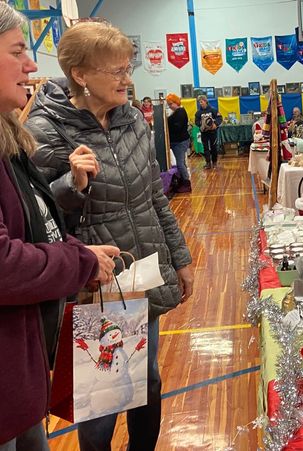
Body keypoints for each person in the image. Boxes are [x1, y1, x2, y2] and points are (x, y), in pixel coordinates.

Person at [25, 21, 193, 451]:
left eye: (128, 67)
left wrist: (181, 257)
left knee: (148, 379)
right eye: (116, 70)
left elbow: (154, 197)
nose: (128, 78)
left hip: (143, 272)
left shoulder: (133, 119)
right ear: (80, 74)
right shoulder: (46, 130)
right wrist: (72, 186)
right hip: (97, 281)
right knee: (104, 396)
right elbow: (39, 221)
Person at [0, 4, 119, 449]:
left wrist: (79, 253)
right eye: (17, 52)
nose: (32, 66)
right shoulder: (41, 129)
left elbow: (36, 223)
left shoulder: (9, 138)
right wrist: (79, 258)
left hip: (19, 368)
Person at [166, 93, 192, 193]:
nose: (170, 106)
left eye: (171, 104)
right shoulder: (178, 111)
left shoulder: (180, 112)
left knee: (180, 164)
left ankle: (186, 183)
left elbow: (177, 127)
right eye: (168, 104)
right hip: (179, 141)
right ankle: (183, 181)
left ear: (176, 102)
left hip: (180, 142)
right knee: (181, 163)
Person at [194, 94, 222, 169]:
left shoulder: (213, 110)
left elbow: (219, 118)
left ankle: (215, 162)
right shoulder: (198, 113)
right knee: (205, 148)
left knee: (214, 147)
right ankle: (208, 163)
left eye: (202, 101)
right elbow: (196, 121)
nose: (200, 103)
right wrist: (201, 125)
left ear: (206, 101)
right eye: (199, 102)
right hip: (204, 133)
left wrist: (215, 124)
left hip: (213, 132)